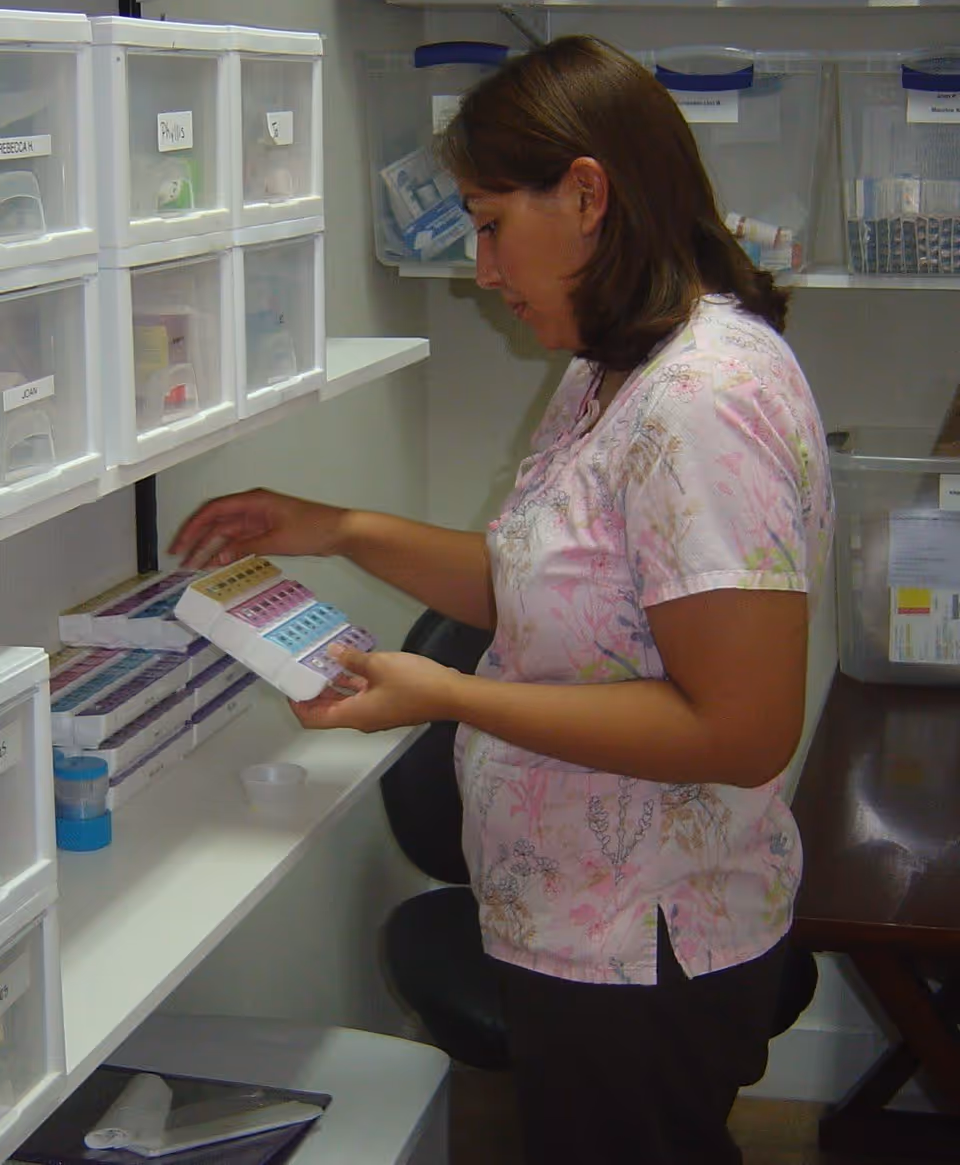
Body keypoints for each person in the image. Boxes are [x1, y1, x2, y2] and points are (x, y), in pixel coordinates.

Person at [171, 34, 835, 1165]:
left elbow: (742, 727)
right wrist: (337, 528)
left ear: (586, 194)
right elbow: (546, 588)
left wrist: (448, 696)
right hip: (580, 917)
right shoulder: (610, 368)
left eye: (489, 223)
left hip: (645, 942)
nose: (482, 268)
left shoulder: (702, 402)